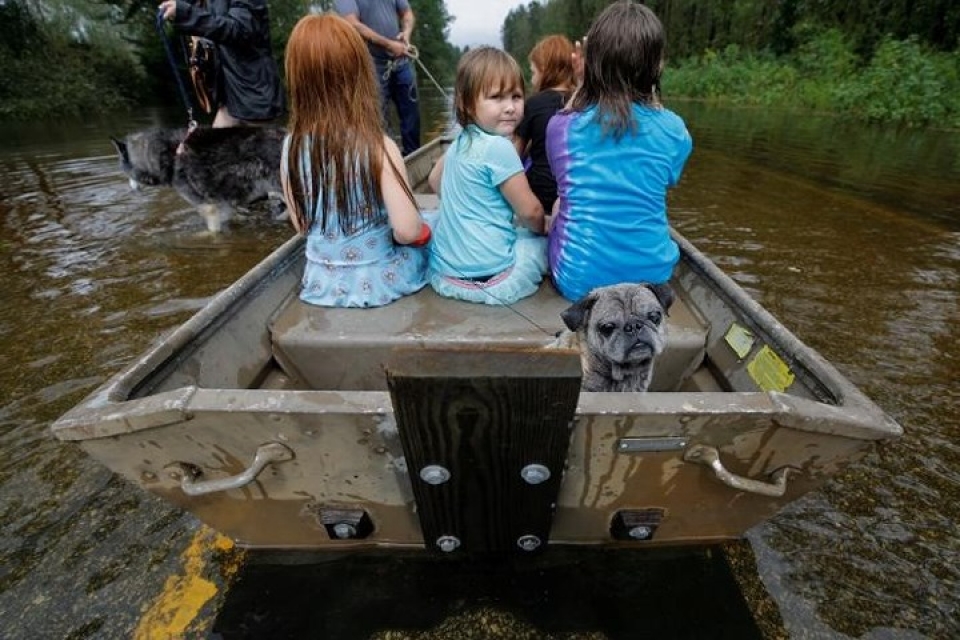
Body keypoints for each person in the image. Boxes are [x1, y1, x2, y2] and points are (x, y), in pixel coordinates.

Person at [280, 13, 432, 308]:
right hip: (377, 281)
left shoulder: (290, 147)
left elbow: (301, 224)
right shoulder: (379, 146)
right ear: (360, 74)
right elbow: (408, 230)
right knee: (431, 226)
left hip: (319, 283)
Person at [546, 1, 693, 302]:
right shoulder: (675, 130)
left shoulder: (560, 128)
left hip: (577, 282)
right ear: (658, 66)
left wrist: (584, 81)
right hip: (652, 282)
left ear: (590, 64)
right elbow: (667, 179)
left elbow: (565, 179)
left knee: (562, 203)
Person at [428, 47, 547, 306]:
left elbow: (434, 181)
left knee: (434, 219)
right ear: (466, 104)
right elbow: (531, 212)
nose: (510, 107)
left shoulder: (460, 141)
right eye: (497, 97)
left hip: (446, 276)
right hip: (494, 281)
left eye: (516, 96)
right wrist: (547, 227)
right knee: (537, 243)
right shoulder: (500, 147)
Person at [159, 0, 284, 127]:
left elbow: (239, 30)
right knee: (201, 146)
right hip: (229, 98)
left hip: (255, 100)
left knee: (257, 146)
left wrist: (185, 13)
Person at [335, 0, 421, 156]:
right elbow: (352, 24)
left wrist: (406, 33)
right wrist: (389, 44)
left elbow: (407, 13)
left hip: (401, 62)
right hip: (372, 64)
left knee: (411, 114)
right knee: (377, 119)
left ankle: (413, 158)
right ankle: (383, 162)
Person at [514, 35, 577, 214]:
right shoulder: (582, 103)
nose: (532, 80)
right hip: (573, 195)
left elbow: (514, 158)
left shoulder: (533, 104)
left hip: (541, 197)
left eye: (533, 73)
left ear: (545, 70)